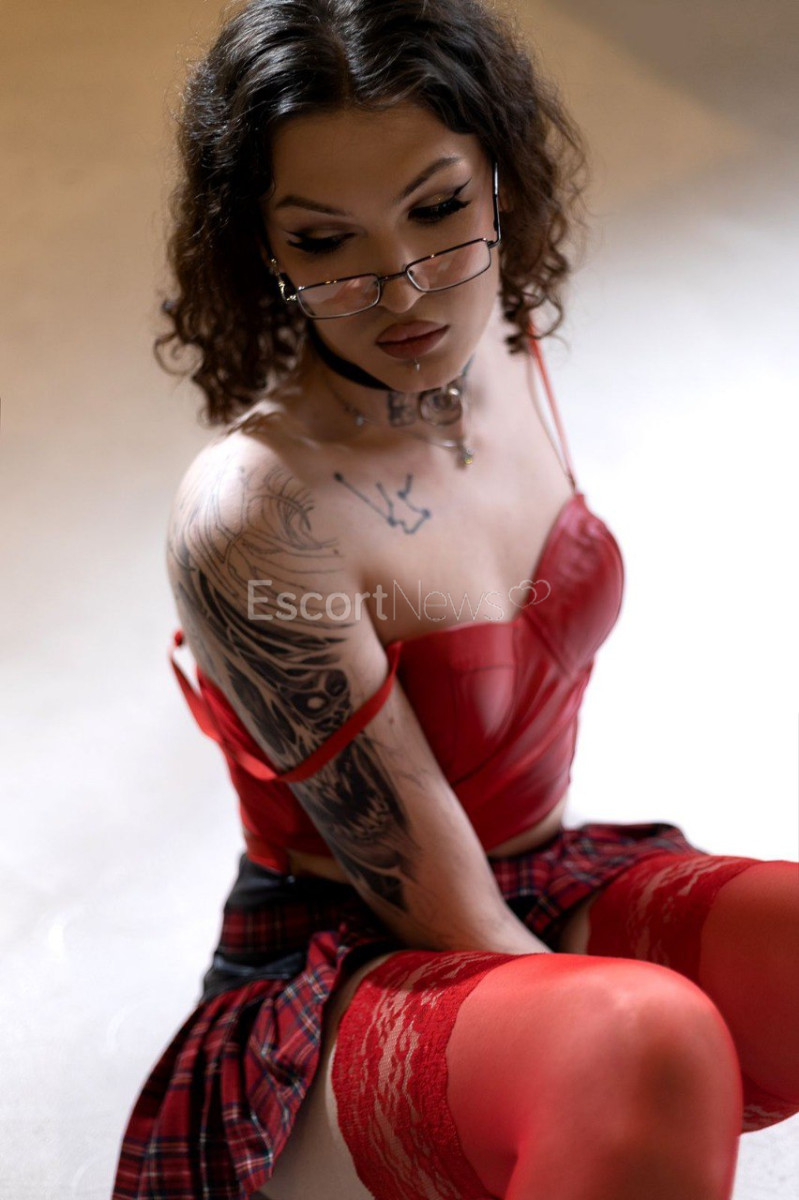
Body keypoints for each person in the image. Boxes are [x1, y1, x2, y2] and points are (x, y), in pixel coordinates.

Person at [111, 2, 799, 1198]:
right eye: (326, 242)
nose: (404, 290)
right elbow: (449, 916)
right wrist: (609, 1028)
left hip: (543, 880)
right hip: (338, 979)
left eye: (436, 211)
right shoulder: (256, 508)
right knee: (646, 1042)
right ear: (260, 251)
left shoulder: (506, 342)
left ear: (499, 183)